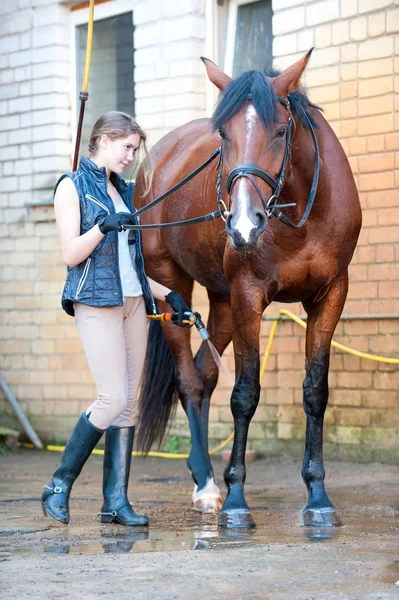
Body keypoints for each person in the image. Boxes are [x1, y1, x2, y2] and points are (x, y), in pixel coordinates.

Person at [41, 111, 194, 527]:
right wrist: (103, 228)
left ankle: (115, 502)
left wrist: (169, 294)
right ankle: (58, 484)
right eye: (128, 147)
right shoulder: (71, 187)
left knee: (128, 405)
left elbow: (130, 266)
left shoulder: (122, 191)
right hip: (95, 302)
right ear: (105, 140)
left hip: (132, 302)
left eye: (134, 149)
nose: (131, 156)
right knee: (110, 398)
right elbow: (72, 255)